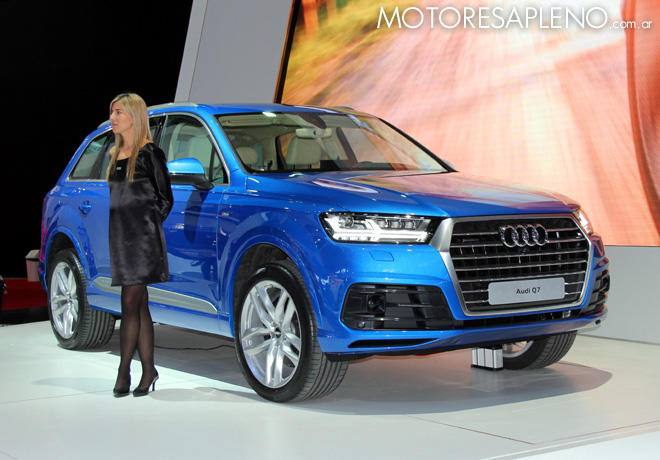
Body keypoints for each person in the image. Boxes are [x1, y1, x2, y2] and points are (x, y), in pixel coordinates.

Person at [106, 93, 173, 397]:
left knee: (129, 303)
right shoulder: (114, 153)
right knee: (140, 305)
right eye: (112, 112)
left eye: (119, 112)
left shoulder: (149, 153)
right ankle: (149, 370)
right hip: (121, 238)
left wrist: (147, 225)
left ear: (134, 116)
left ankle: (123, 371)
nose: (113, 117)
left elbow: (165, 199)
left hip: (142, 241)